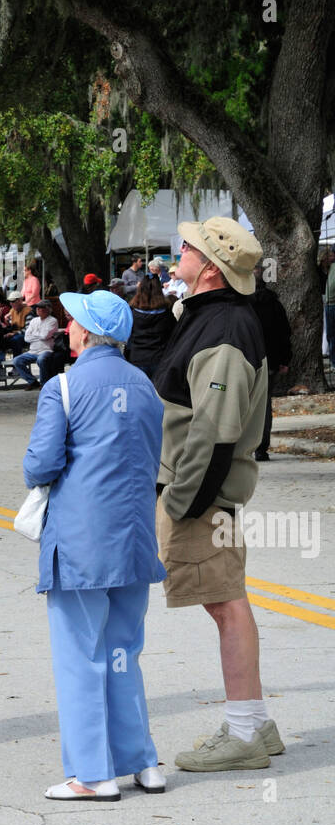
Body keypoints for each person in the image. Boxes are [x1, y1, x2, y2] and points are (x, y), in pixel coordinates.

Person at [23, 289, 166, 800]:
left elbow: (39, 466)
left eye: (72, 321)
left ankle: (92, 773)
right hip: (134, 541)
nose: (67, 327)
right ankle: (142, 761)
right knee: (124, 652)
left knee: (81, 657)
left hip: (82, 545)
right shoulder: (145, 386)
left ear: (85, 332)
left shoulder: (62, 386)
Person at [153, 216, 280, 773]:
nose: (179, 250)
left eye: (189, 246)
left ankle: (246, 730)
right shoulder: (209, 316)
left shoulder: (226, 328)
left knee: (226, 604)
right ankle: (256, 723)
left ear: (209, 267)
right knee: (226, 601)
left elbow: (215, 430)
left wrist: (183, 501)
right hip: (201, 493)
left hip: (202, 497)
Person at [249, 263, 292, 460]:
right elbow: (284, 334)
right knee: (264, 404)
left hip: (247, 359)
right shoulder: (275, 305)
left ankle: (245, 444)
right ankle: (261, 447)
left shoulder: (243, 305)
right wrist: (284, 359)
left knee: (244, 403)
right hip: (271, 360)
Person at [124, 275, 176, 379]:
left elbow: (127, 336)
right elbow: (173, 336)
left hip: (137, 358)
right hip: (160, 359)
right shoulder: (167, 313)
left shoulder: (132, 313)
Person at [12, 298, 59, 388]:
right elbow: (26, 338)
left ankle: (44, 383)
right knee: (17, 360)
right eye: (37, 307)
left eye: (41, 307)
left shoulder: (52, 320)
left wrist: (34, 334)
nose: (38, 309)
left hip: (46, 350)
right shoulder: (34, 320)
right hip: (32, 351)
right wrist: (39, 335)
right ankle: (32, 382)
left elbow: (45, 336)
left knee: (41, 360)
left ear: (48, 309)